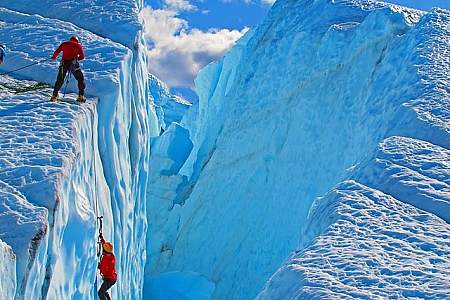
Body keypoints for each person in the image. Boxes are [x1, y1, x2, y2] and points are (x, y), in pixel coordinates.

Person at [50, 35, 86, 102]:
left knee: (60, 79)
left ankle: (54, 96)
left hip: (64, 64)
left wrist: (53, 57)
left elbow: (57, 51)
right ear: (77, 41)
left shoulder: (64, 44)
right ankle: (81, 96)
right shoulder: (78, 45)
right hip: (73, 64)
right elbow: (82, 57)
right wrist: (76, 58)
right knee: (80, 78)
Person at [98, 235, 117, 300]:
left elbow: (104, 270)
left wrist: (99, 266)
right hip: (111, 278)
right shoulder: (111, 255)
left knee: (101, 293)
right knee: (104, 292)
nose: (102, 251)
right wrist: (102, 239)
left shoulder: (107, 260)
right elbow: (106, 246)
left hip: (110, 279)